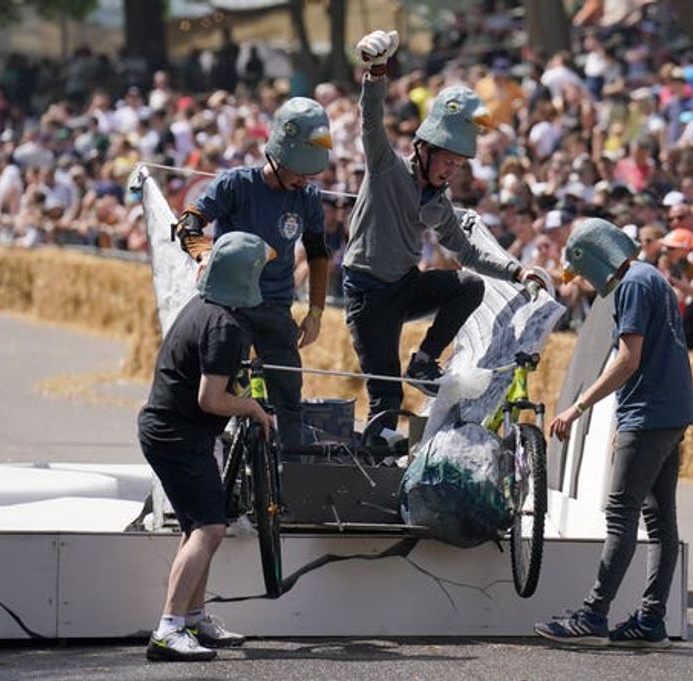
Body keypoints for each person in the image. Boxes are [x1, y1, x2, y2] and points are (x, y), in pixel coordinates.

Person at [344, 29, 543, 437]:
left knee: (468, 285)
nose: (452, 171)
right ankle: (377, 459)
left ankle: (423, 361)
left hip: (403, 286)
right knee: (386, 399)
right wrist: (376, 71)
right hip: (367, 295)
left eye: (458, 165)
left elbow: (468, 253)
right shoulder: (386, 168)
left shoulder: (438, 202)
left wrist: (517, 271)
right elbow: (370, 120)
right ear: (424, 148)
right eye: (448, 161)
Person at [535, 217, 693, 648]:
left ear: (596, 257)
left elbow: (629, 358)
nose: (585, 282)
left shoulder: (632, 285)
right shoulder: (652, 278)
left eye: (583, 271)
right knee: (660, 521)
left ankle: (593, 614)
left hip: (649, 414)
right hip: (668, 412)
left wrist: (578, 406)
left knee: (621, 512)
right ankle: (650, 620)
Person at [139, 232, 275, 662]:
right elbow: (210, 400)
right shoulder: (225, 326)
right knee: (209, 530)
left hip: (173, 432)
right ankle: (169, 630)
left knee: (198, 525)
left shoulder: (206, 309)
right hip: (177, 435)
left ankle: (193, 617)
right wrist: (253, 407)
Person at [174, 96, 332, 450]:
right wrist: (203, 254)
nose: (304, 179)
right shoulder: (236, 185)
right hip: (231, 308)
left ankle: (289, 470)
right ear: (276, 157)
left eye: (310, 173)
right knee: (226, 392)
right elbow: (188, 224)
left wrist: (316, 312)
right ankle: (221, 461)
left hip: (276, 306)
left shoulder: (307, 197)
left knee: (289, 394)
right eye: (299, 170)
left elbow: (320, 253)